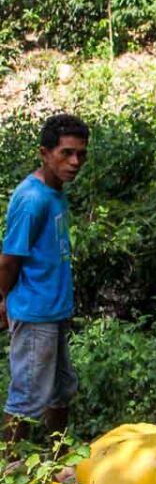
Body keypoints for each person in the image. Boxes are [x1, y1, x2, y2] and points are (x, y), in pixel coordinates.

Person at [1, 114, 90, 445]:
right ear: (44, 152)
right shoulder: (32, 199)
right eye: (66, 153)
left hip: (54, 310)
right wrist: (3, 300)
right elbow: (9, 260)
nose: (74, 161)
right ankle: (7, 470)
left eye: (81, 154)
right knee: (26, 398)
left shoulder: (55, 192)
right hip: (35, 312)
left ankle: (57, 455)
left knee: (61, 389)